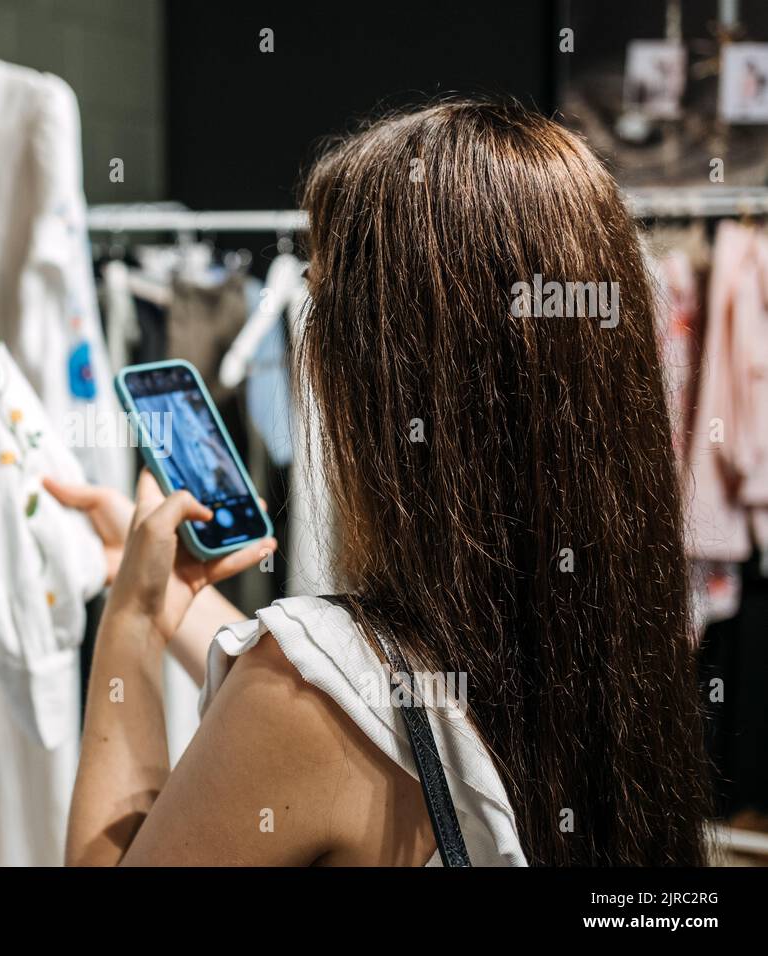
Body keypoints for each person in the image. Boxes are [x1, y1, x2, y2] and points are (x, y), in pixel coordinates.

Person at [47, 99, 712, 866]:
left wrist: (128, 619)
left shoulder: (297, 702)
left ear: (380, 375)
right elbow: (372, 693)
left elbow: (321, 702)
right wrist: (171, 596)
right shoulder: (613, 623)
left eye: (323, 305)